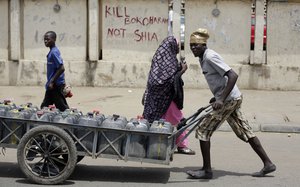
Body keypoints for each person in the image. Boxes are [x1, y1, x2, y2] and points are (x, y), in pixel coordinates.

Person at [186, 28, 276, 179]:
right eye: (191, 45)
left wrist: (221, 99)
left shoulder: (210, 57)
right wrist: (217, 97)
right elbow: (220, 80)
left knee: (203, 130)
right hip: (231, 98)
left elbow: (233, 75)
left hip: (229, 100)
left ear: (204, 45)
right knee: (245, 131)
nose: (193, 48)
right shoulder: (203, 58)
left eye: (196, 45)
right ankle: (268, 164)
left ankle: (207, 171)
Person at [142, 36, 195, 155]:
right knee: (179, 120)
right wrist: (182, 71)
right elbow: (170, 80)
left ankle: (146, 142)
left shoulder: (158, 59)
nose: (177, 48)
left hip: (154, 99)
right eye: (176, 45)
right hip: (167, 99)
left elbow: (153, 79)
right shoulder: (170, 62)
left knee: (154, 120)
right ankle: (182, 146)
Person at [41, 31, 69, 112]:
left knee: (62, 108)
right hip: (52, 85)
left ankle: (69, 121)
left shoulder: (54, 52)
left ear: (54, 39)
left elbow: (61, 68)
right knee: (45, 106)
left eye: (48, 39)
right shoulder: (51, 51)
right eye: (44, 39)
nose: (45, 41)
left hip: (55, 85)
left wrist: (52, 81)